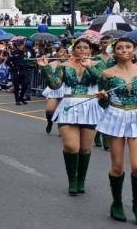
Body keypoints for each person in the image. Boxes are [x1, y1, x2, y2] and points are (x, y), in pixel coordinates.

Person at [91, 38, 137, 224]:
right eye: (119, 48)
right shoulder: (106, 74)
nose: (124, 50)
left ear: (135, 50)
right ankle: (117, 203)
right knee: (117, 166)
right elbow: (102, 103)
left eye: (128, 47)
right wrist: (103, 97)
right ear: (114, 52)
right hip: (115, 115)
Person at [38, 38, 104, 195]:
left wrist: (89, 67)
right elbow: (55, 85)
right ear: (73, 50)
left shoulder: (98, 64)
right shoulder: (64, 66)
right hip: (69, 106)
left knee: (85, 148)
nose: (82, 50)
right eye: (79, 47)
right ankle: (72, 180)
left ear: (90, 50)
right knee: (71, 147)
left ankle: (81, 180)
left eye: (85, 47)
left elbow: (102, 82)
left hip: (90, 107)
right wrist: (45, 68)